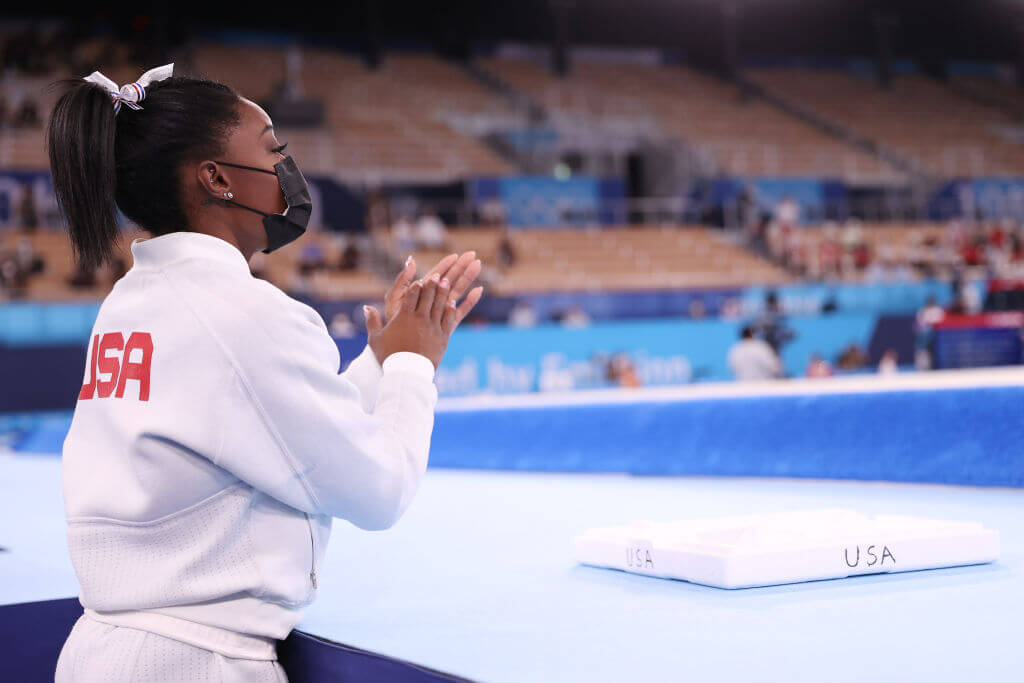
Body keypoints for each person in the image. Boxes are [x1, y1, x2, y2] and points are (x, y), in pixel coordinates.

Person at [47, 63, 485, 682]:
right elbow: (379, 489)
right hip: (191, 664)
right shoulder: (241, 313)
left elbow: (275, 426)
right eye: (273, 148)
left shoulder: (133, 302)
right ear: (217, 178)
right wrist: (416, 364)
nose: (287, 167)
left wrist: (382, 360)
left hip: (109, 652)